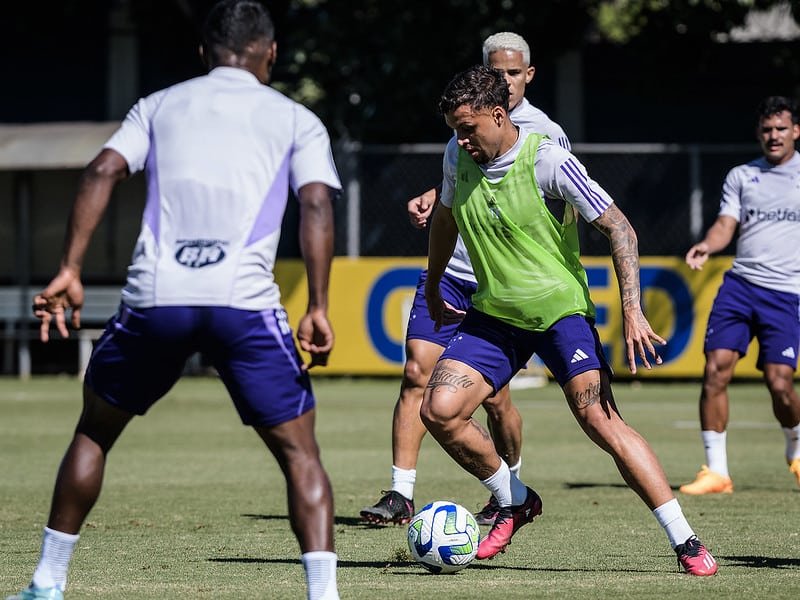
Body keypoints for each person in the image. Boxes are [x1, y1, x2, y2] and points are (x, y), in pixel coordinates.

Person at [8, 2, 341, 599]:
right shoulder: (295, 119)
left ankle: (46, 583)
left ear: (202, 54)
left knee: (95, 432)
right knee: (300, 454)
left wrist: (69, 269)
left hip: (156, 299)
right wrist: (318, 303)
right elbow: (316, 204)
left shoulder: (158, 106)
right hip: (243, 302)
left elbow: (103, 170)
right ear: (269, 53)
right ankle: (323, 595)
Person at [420, 64, 718, 575]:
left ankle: (685, 540)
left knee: (600, 421)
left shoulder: (548, 160)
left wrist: (631, 309)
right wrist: (431, 283)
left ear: (498, 114)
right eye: (454, 130)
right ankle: (515, 500)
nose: (461, 140)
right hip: (494, 312)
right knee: (439, 411)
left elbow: (620, 229)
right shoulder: (456, 155)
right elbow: (445, 219)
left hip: (560, 312)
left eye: (468, 128)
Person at [360, 32, 570, 527]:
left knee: (496, 401)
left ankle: (510, 491)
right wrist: (436, 197)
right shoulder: (464, 125)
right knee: (416, 372)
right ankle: (400, 493)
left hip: (504, 287)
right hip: (453, 272)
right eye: (495, 72)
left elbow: (551, 202)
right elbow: (464, 181)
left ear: (529, 75)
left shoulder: (547, 134)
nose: (505, 81)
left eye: (514, 73)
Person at [679, 96, 800, 495]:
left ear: (795, 131)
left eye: (781, 128)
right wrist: (708, 246)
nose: (773, 136)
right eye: (767, 129)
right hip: (741, 286)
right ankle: (717, 472)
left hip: (787, 293)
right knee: (715, 370)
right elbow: (725, 224)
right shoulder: (742, 176)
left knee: (780, 383)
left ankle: (796, 449)